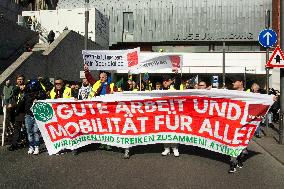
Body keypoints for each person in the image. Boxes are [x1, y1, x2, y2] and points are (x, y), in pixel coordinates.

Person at [19, 79, 46, 155]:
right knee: (29, 132)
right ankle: (31, 147)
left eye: (33, 86)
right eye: (30, 86)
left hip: (37, 115)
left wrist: (38, 98)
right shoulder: (26, 94)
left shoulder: (41, 93)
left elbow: (45, 96)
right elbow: (21, 103)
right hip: (28, 115)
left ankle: (37, 147)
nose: (31, 87)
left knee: (36, 131)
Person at [161, 74, 181, 157]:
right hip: (164, 113)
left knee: (174, 130)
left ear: (170, 81)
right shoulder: (159, 89)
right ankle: (166, 148)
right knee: (164, 130)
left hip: (174, 112)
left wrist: (177, 75)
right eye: (164, 81)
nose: (165, 82)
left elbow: (178, 82)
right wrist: (165, 87)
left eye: (166, 80)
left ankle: (175, 148)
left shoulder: (175, 87)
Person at [8, 75, 26, 151]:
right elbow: (12, 95)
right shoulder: (15, 89)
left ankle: (17, 143)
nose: (20, 81)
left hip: (23, 111)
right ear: (16, 80)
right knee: (17, 128)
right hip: (16, 112)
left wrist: (13, 105)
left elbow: (22, 100)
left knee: (23, 127)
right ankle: (17, 142)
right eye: (18, 79)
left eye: (21, 79)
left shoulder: (26, 88)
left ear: (23, 80)